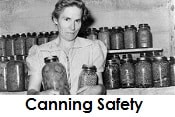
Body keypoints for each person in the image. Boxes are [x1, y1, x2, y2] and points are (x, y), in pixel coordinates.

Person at [26, 0, 107, 95]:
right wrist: (40, 95)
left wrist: (98, 89)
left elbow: (101, 85)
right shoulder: (40, 52)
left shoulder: (93, 48)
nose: (72, 27)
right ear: (55, 19)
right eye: (67, 19)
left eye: (77, 21)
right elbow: (31, 91)